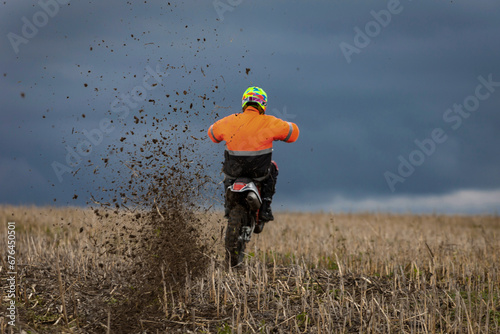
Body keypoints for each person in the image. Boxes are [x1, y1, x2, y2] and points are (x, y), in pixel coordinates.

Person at [207, 86, 299, 222]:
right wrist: (285, 125)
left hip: (234, 171)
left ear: (244, 103)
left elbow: (212, 135)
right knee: (273, 168)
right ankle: (265, 207)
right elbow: (293, 134)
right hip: (259, 172)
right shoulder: (269, 122)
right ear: (263, 104)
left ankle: (228, 205)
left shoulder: (229, 120)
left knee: (227, 176)